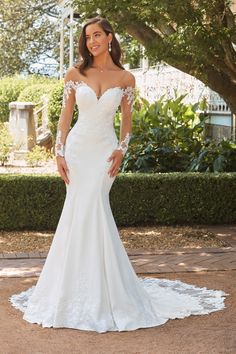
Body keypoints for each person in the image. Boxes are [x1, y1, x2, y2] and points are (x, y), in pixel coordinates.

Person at [9, 17, 229, 333]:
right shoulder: (75, 73)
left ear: (110, 38)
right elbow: (65, 117)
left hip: (104, 153)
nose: (92, 42)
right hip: (78, 149)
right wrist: (58, 152)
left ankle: (109, 291)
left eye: (97, 35)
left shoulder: (126, 78)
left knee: (95, 207)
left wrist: (122, 149)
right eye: (87, 38)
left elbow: (127, 121)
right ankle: (71, 290)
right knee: (77, 212)